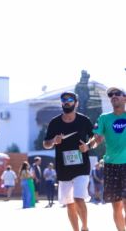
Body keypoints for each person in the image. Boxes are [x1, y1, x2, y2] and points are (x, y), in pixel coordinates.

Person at [43, 91, 94, 231]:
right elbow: (45, 143)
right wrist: (53, 141)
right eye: (64, 99)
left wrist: (88, 146)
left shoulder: (84, 120)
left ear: (76, 103)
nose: (66, 102)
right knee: (69, 203)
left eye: (70, 99)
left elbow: (95, 139)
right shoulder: (54, 122)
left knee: (78, 198)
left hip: (82, 166)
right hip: (63, 168)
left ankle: (85, 227)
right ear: (61, 103)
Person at [89, 86, 126, 231]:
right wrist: (89, 144)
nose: (113, 96)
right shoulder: (104, 118)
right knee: (116, 205)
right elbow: (96, 139)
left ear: (125, 98)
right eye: (111, 95)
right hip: (111, 165)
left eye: (117, 94)